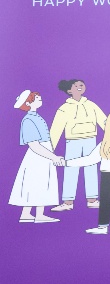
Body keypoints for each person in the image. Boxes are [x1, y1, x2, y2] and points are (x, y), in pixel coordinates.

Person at [48, 78, 105, 212]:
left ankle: (92, 200)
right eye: (76, 85)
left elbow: (104, 121)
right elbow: (56, 129)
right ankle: (68, 202)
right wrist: (50, 150)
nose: (79, 87)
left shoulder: (91, 105)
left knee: (91, 168)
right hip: (72, 141)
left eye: (81, 85)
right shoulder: (64, 108)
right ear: (69, 90)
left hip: (91, 139)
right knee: (70, 169)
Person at [11, 91, 61, 223]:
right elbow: (34, 145)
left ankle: (26, 214)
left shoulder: (35, 117)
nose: (40, 99)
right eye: (36, 98)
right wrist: (53, 157)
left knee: (34, 183)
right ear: (28, 103)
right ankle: (39, 215)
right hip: (38, 155)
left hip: (42, 153)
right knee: (40, 183)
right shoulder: (28, 120)